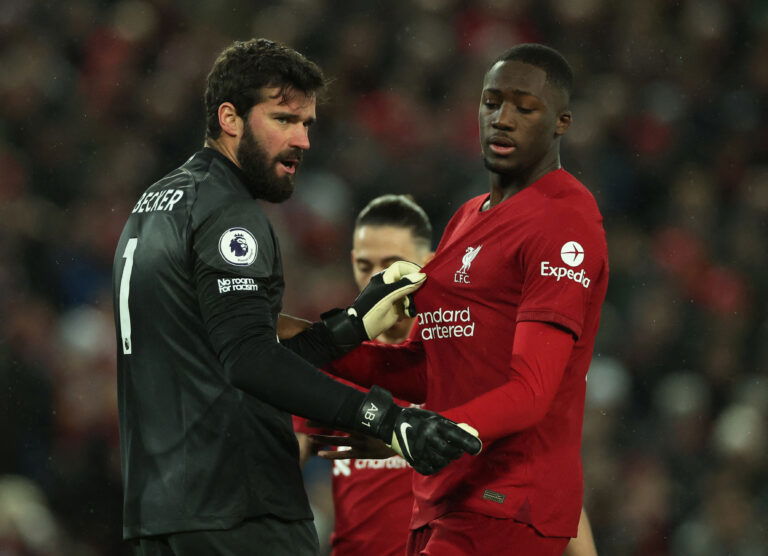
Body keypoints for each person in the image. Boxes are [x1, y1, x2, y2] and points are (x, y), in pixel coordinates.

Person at [111, 38, 480, 556]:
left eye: (307, 123)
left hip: (161, 514)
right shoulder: (228, 214)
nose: (302, 140)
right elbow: (249, 360)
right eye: (284, 119)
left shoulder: (154, 206)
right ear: (229, 118)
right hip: (240, 507)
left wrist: (349, 326)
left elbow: (227, 356)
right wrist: (387, 417)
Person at [322, 43, 609, 555]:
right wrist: (316, 341)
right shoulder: (465, 218)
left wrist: (437, 429)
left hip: (507, 496)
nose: (502, 119)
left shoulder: (565, 221)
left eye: (525, 108)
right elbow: (431, 368)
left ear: (562, 121)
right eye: (492, 102)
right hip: (445, 496)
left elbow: (533, 390)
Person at [294, 194, 434, 556]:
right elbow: (280, 467)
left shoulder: (460, 359)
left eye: (391, 264)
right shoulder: (334, 363)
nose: (377, 278)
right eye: (364, 264)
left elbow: (537, 478)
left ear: (429, 264)